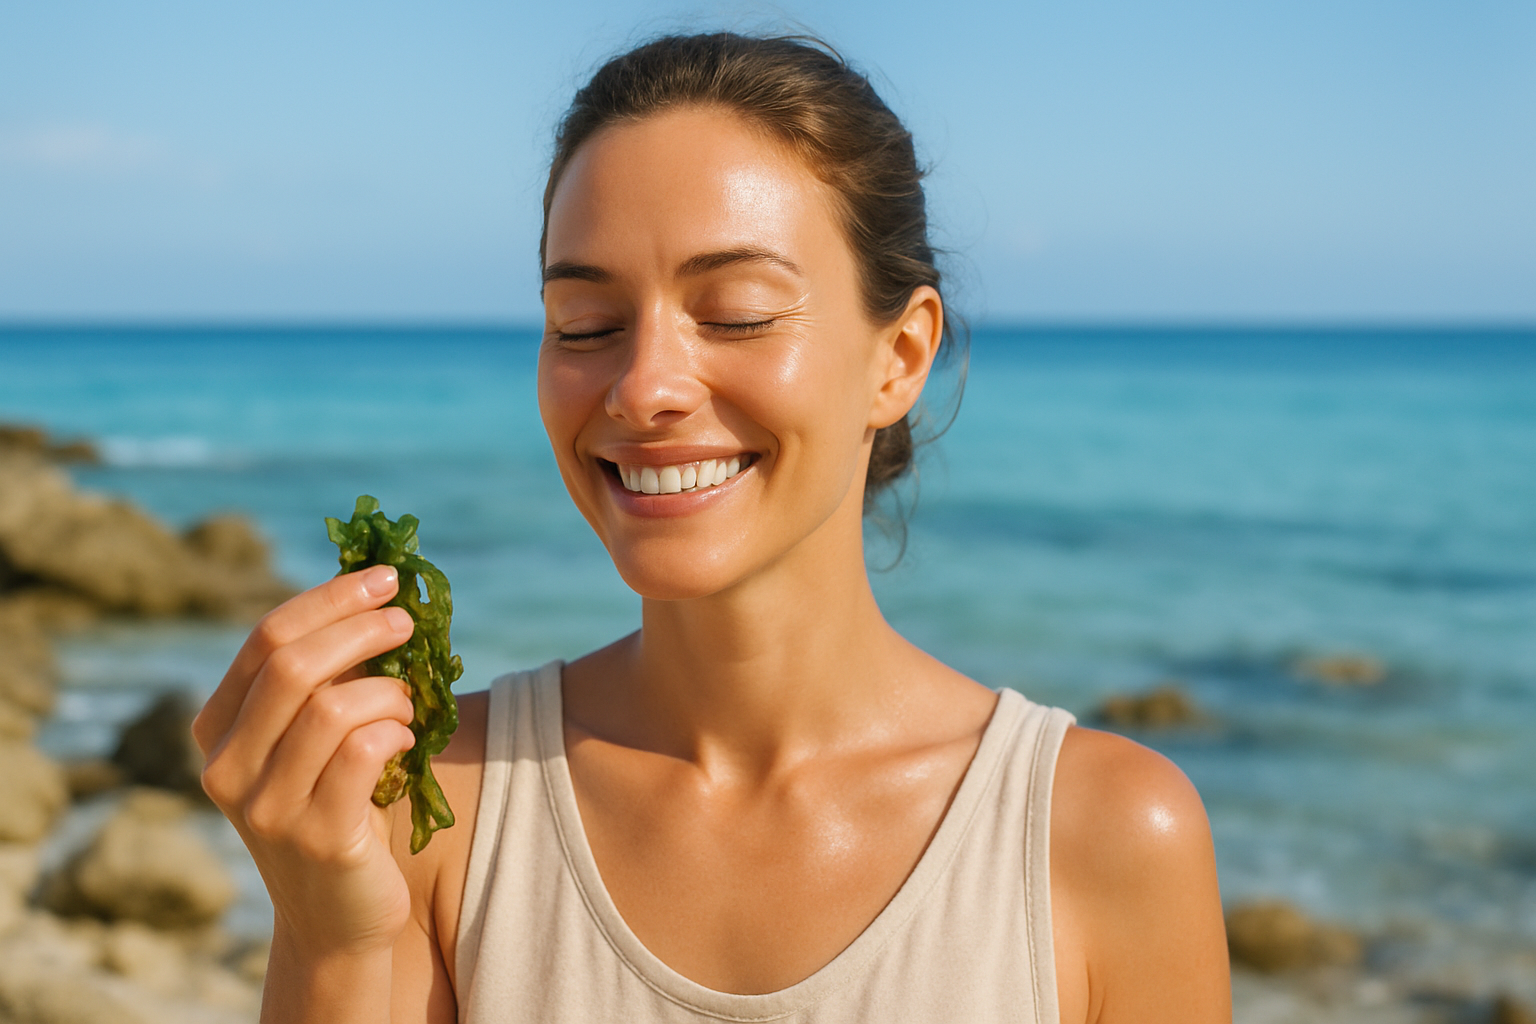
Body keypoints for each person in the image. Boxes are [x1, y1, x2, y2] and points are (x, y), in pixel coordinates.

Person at [193, 32, 1230, 1023]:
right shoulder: (434, 799)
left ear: (900, 357)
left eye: (734, 312)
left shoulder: (1102, 835)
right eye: (584, 326)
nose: (643, 387)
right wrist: (334, 942)